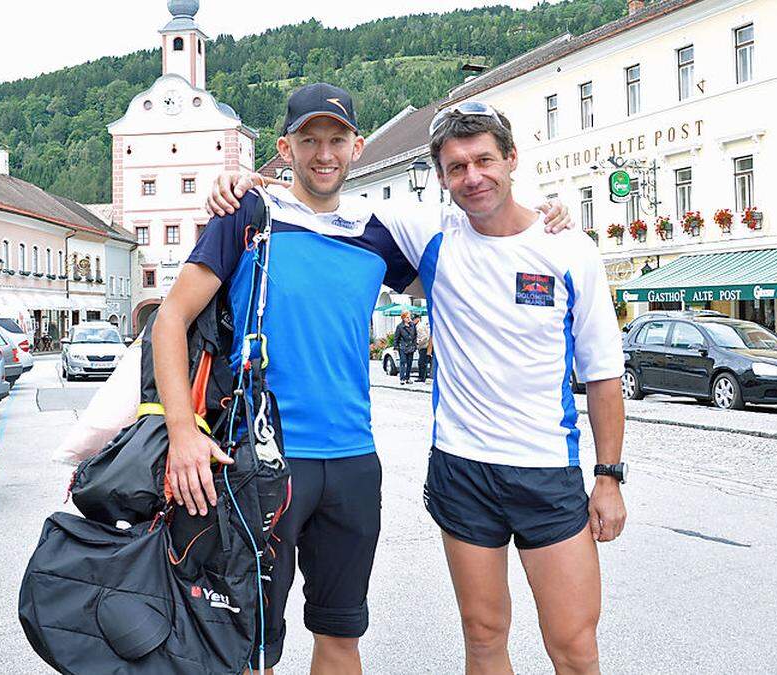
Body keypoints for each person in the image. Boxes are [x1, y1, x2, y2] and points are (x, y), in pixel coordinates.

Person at [189, 84, 574, 674]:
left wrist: (540, 220)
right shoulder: (249, 214)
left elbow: (477, 264)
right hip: (258, 460)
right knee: (244, 643)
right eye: (309, 140)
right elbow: (171, 321)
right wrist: (182, 433)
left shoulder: (377, 233)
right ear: (284, 147)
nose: (324, 153)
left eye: (337, 139)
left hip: (351, 463)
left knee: (340, 638)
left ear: (357, 147)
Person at [408, 103, 626, 674]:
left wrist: (608, 479)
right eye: (456, 167)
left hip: (546, 470)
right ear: (440, 177)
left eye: (484, 160)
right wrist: (252, 183)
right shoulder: (435, 238)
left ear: (511, 159)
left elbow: (603, 374)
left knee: (573, 645)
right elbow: (325, 203)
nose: (472, 176)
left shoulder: (569, 249)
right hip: (462, 467)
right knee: (483, 636)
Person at [394, 311, 417, 384]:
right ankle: (402, 378)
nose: (409, 318)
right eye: (407, 317)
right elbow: (396, 338)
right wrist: (396, 347)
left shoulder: (412, 325)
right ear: (403, 318)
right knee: (403, 362)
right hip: (403, 347)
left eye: (409, 317)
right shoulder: (400, 326)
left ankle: (407, 378)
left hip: (411, 347)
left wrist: (414, 345)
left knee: (410, 363)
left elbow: (415, 335)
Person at [414, 314, 431, 383]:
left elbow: (425, 337)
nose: (412, 321)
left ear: (418, 319)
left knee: (421, 363)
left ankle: (422, 377)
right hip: (425, 346)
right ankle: (423, 376)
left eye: (413, 319)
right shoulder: (421, 325)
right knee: (423, 362)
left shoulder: (419, 327)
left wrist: (418, 342)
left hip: (424, 346)